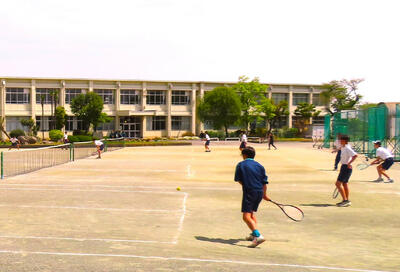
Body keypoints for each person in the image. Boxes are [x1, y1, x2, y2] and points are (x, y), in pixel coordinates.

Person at [234, 146, 270, 248]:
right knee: (251, 214)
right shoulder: (260, 166)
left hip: (250, 191)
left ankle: (258, 235)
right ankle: (253, 234)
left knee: (246, 216)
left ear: (244, 155)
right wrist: (264, 194)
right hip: (259, 191)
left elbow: (239, 180)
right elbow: (264, 183)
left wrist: (247, 187)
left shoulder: (241, 165)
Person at [335, 135, 357, 207]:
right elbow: (340, 148)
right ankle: (346, 200)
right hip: (343, 167)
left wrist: (349, 163)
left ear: (345, 141)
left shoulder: (347, 148)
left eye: (341, 140)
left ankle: (345, 200)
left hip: (346, 167)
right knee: (344, 184)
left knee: (338, 184)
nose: (340, 141)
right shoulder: (343, 147)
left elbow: (355, 155)